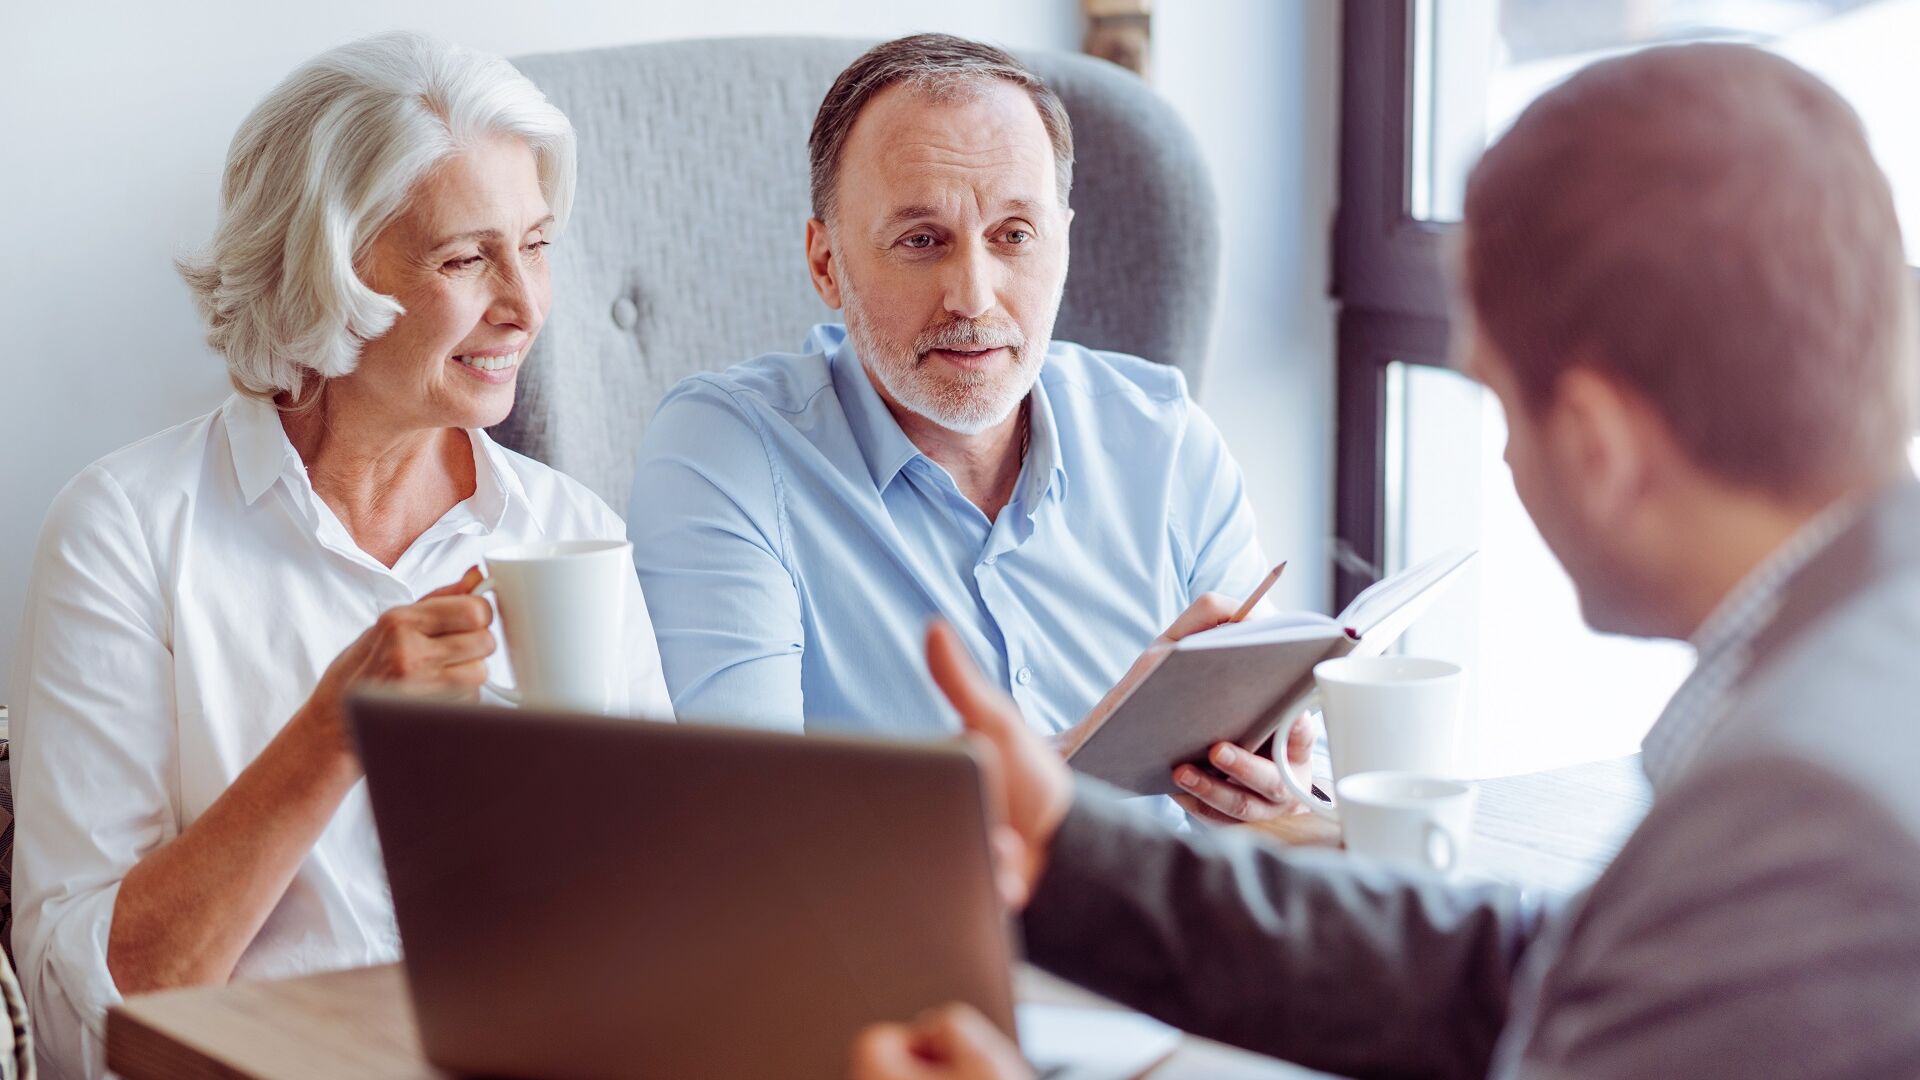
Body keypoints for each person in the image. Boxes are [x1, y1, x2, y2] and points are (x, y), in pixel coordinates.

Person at [850, 43, 1920, 1079]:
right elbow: (1537, 977)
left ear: (1599, 445)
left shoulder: (1801, 810)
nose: (1503, 452)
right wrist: (1076, 858)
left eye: (1498, 400)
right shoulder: (1867, 660)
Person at [9, 33, 672, 1080]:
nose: (527, 304)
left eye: (536, 244)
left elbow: (663, 930)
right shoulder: (127, 531)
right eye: (466, 258)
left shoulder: (570, 534)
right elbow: (79, 1021)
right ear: (328, 267)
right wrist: (331, 733)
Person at [629, 33, 1310, 824]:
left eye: (1013, 236)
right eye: (922, 241)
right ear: (825, 265)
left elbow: (1287, 790)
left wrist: (1271, 785)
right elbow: (747, 822)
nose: (974, 298)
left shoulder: (1164, 437)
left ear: (1062, 244)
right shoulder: (726, 452)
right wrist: (1099, 753)